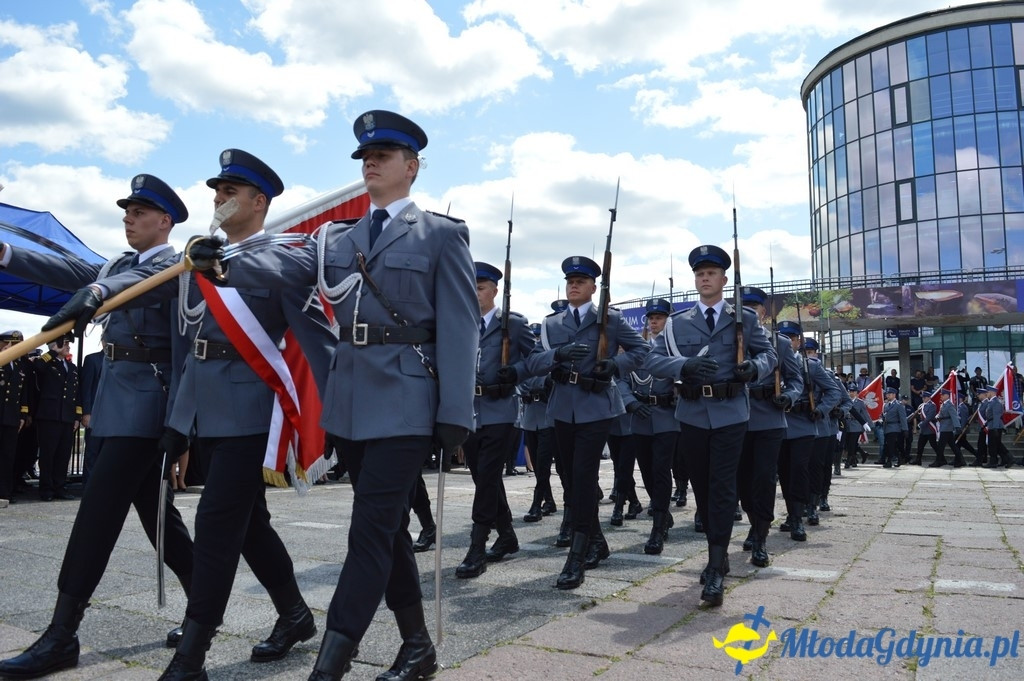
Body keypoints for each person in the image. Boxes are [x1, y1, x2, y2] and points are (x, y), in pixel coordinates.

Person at [186, 112, 478, 680]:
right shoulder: (333, 237)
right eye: (366, 155)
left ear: (411, 167)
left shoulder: (443, 234)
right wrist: (223, 259)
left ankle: (331, 663)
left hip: (406, 399)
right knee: (388, 530)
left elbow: (462, 327)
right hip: (349, 402)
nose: (371, 161)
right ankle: (417, 646)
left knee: (367, 533)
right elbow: (282, 260)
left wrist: (456, 413)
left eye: (385, 155)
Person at [42, 151, 339, 679]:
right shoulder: (195, 261)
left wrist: (216, 261)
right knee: (250, 527)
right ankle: (294, 614)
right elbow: (187, 349)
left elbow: (287, 291)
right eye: (216, 191)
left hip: (251, 412)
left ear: (259, 202)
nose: (220, 198)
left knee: (218, 523)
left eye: (231, 191)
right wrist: (179, 423)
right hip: (204, 412)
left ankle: (191, 658)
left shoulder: (287, 251)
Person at [0, 175, 200, 679]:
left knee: (97, 513)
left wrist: (96, 287)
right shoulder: (117, 264)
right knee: (159, 519)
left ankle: (61, 635)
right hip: (114, 405)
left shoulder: (177, 266)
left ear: (165, 221)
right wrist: (5, 252)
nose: (128, 217)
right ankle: (209, 604)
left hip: (146, 408)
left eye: (139, 211)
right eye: (126, 210)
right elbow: (68, 268)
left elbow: (125, 293)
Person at [645, 245, 776, 606]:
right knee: (702, 487)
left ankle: (716, 565)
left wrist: (754, 368)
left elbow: (769, 354)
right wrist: (683, 368)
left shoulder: (743, 320)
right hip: (691, 413)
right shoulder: (676, 323)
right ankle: (716, 551)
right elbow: (653, 361)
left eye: (711, 273)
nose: (705, 279)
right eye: (700, 274)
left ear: (723, 279)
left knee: (721, 486)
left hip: (732, 411)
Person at [524, 255, 649, 590]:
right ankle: (597, 541)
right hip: (562, 407)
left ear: (595, 287)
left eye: (581, 281)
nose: (574, 285)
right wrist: (557, 356)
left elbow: (641, 351)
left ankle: (576, 556)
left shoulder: (610, 319)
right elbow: (534, 362)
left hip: (596, 406)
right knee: (570, 478)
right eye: (570, 281)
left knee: (582, 477)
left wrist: (616, 365)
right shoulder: (551, 324)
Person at [455, 261, 535, 579]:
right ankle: (507, 535)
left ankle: (477, 546)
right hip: (471, 410)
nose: (474, 293)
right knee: (482, 477)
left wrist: (514, 375)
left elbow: (534, 358)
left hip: (501, 409)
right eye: (470, 287)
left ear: (494, 291)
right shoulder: (461, 322)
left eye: (480, 287)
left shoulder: (512, 324)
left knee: (487, 476)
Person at [735, 288, 802, 568]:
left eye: (755, 306)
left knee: (763, 479)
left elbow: (796, 380)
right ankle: (753, 521)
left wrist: (789, 397)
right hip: (735, 417)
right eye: (744, 305)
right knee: (741, 481)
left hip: (768, 418)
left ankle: (761, 536)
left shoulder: (780, 343)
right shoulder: (728, 339)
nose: (750, 310)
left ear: (764, 312)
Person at [621, 298, 680, 555]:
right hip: (640, 416)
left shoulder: (675, 347)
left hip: (668, 416)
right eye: (651, 317)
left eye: (660, 317)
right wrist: (630, 403)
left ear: (669, 319)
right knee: (646, 470)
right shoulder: (638, 348)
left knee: (660, 469)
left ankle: (658, 526)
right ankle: (662, 511)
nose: (654, 321)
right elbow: (621, 378)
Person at [775, 321, 840, 542]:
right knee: (783, 472)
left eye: (790, 338)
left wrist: (820, 410)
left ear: (797, 341)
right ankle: (791, 512)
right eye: (781, 337)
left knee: (800, 469)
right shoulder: (770, 363)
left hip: (803, 424)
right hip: (778, 424)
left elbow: (833, 392)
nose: (785, 342)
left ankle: (798, 516)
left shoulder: (809, 365)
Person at [29, 335, 81, 501]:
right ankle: (46, 489)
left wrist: (76, 416)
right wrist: (52, 352)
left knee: (63, 455)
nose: (68, 347)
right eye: (65, 344)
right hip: (49, 416)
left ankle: (60, 487)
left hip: (66, 417)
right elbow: (37, 367)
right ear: (55, 345)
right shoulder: (46, 363)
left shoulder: (71, 367)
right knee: (48, 455)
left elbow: (76, 394)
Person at [0, 330, 29, 510]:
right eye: (10, 344)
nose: (13, 348)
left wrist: (22, 415)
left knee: (7, 456)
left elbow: (22, 393)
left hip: (11, 418)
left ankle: (4, 492)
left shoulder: (18, 366)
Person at [78, 349, 103, 488]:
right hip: (94, 414)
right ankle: (89, 485)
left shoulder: (118, 360)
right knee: (92, 451)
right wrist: (86, 412)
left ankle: (102, 485)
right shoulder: (92, 359)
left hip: (112, 415)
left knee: (106, 453)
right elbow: (86, 388)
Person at [934, 388, 965, 467]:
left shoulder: (949, 405)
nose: (941, 396)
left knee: (941, 446)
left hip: (947, 427)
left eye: (943, 395)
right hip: (944, 426)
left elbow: (954, 416)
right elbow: (941, 414)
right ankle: (961, 460)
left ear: (947, 396)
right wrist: (937, 417)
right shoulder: (943, 404)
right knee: (953, 446)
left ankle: (938, 461)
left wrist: (957, 426)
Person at [843, 386, 872, 469]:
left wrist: (868, 424)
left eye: (853, 391)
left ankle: (849, 461)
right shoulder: (845, 401)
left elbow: (865, 414)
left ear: (856, 393)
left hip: (856, 425)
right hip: (847, 424)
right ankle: (857, 458)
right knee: (848, 444)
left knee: (852, 444)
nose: (851, 393)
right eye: (850, 391)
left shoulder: (860, 403)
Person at [878, 387, 908, 467]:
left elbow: (902, 418)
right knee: (891, 445)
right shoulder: (886, 405)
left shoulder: (898, 404)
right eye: (887, 394)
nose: (888, 396)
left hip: (894, 427)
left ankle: (889, 461)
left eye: (890, 394)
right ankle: (899, 458)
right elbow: (883, 415)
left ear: (894, 395)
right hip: (886, 427)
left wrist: (905, 429)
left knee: (890, 444)